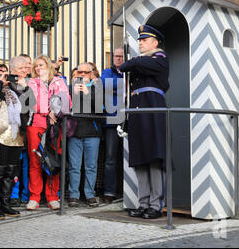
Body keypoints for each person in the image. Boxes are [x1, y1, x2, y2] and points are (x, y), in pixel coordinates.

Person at [119, 24, 169, 220]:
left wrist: (133, 62)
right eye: (139, 40)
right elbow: (124, 67)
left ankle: (156, 205)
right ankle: (143, 203)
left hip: (153, 109)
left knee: (155, 158)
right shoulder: (142, 62)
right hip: (138, 110)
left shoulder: (160, 58)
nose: (140, 43)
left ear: (155, 43)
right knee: (140, 158)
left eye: (144, 40)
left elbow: (138, 66)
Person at [0, 56, 31, 218]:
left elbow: (28, 106)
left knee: (11, 172)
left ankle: (5, 203)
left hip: (17, 134)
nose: (3, 78)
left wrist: (24, 88)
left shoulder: (17, 87)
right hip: (1, 135)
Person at [26, 55, 70, 210]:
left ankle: (52, 196)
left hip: (54, 125)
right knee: (35, 160)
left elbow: (66, 101)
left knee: (54, 160)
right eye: (36, 66)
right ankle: (34, 197)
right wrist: (47, 109)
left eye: (42, 65)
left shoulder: (59, 81)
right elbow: (32, 103)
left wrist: (55, 111)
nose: (38, 68)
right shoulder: (31, 82)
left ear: (49, 67)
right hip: (36, 123)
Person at [67, 63, 103, 208]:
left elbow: (100, 109)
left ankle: (90, 194)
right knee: (74, 166)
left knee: (91, 166)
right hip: (75, 132)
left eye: (85, 72)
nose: (82, 75)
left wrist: (88, 93)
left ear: (91, 73)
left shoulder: (97, 88)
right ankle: (74, 195)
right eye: (80, 72)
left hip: (92, 133)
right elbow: (64, 108)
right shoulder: (70, 89)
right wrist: (73, 95)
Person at [100, 48, 124, 203]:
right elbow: (105, 85)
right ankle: (109, 192)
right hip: (112, 120)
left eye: (121, 56)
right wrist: (124, 83)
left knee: (128, 157)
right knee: (110, 158)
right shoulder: (107, 72)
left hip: (129, 118)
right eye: (116, 56)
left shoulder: (131, 71)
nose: (119, 59)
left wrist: (116, 88)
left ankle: (127, 191)